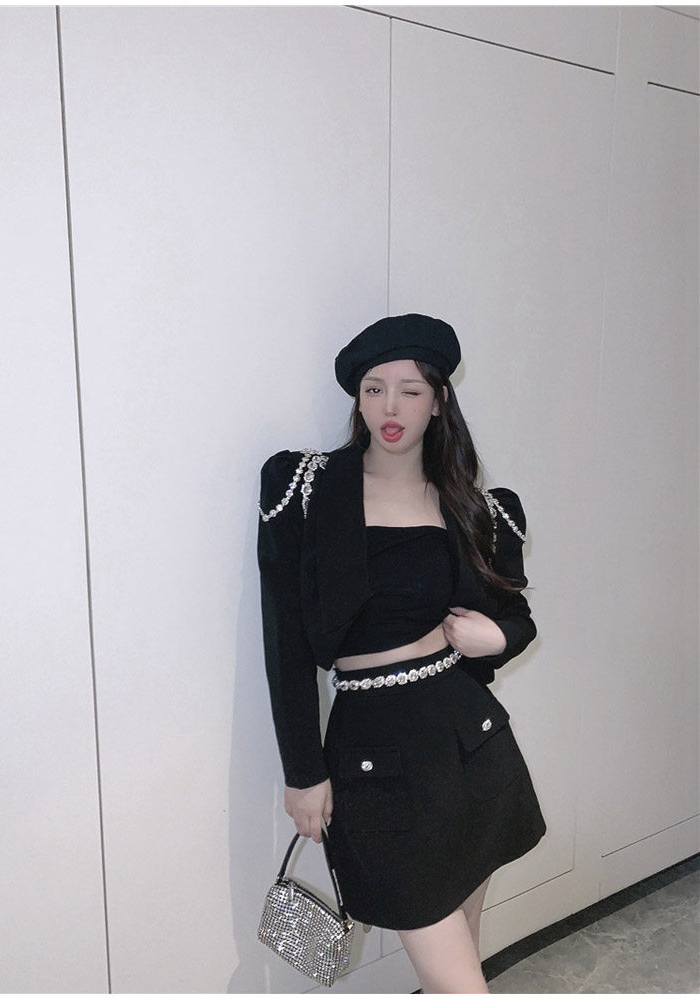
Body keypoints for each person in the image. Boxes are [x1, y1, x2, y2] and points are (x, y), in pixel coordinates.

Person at [257, 314, 546, 994]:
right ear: (358, 399)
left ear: (439, 400)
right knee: (461, 982)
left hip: (471, 744)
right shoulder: (305, 489)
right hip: (374, 756)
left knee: (460, 964)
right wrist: (303, 771)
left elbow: (517, 617)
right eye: (374, 389)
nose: (391, 407)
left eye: (411, 391)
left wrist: (498, 637)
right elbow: (285, 639)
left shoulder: (475, 506)